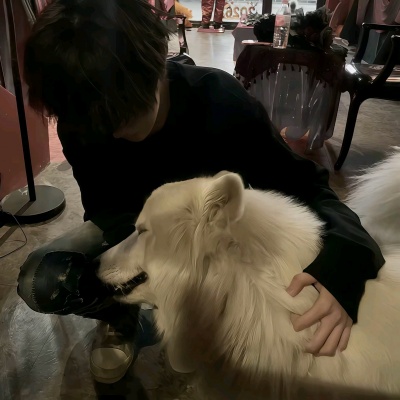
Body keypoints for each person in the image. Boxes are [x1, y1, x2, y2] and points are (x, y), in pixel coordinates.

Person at [19, 0, 384, 385]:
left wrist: (347, 259)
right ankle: (123, 315)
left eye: (120, 112)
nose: (110, 132)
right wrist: (149, 272)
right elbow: (104, 210)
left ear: (155, 65)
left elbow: (305, 186)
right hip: (131, 231)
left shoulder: (219, 102)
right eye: (95, 122)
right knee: (42, 280)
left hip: (202, 250)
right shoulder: (82, 118)